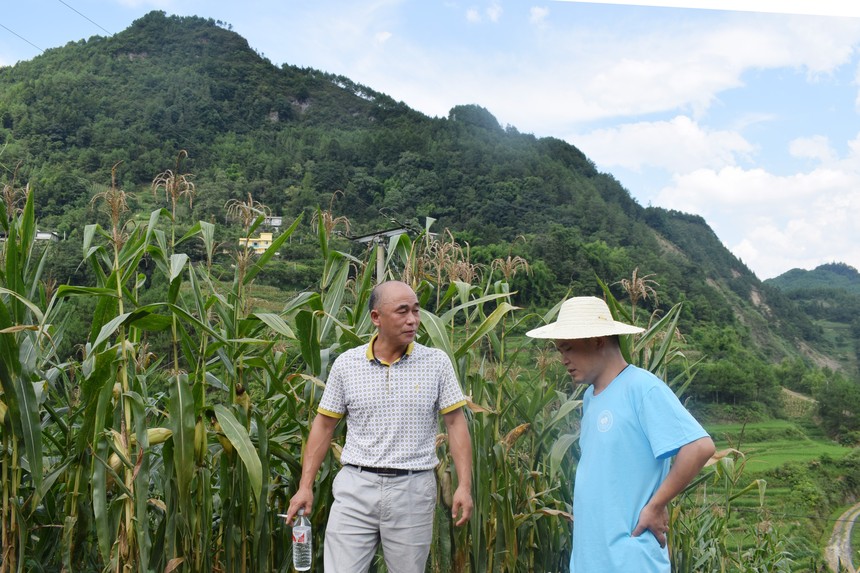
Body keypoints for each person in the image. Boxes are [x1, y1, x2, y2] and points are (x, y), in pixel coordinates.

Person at [285, 280, 473, 572]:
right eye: (402, 311)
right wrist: (305, 486)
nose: (413, 320)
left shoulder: (436, 362)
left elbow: (455, 423)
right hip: (355, 488)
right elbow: (324, 426)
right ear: (376, 318)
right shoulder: (347, 364)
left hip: (412, 490)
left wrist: (464, 486)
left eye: (416, 310)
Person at [526, 296, 715, 573]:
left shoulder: (642, 387)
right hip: (592, 559)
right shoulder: (591, 398)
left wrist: (656, 505)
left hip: (630, 559)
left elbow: (699, 447)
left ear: (598, 340)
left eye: (568, 349)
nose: (563, 360)